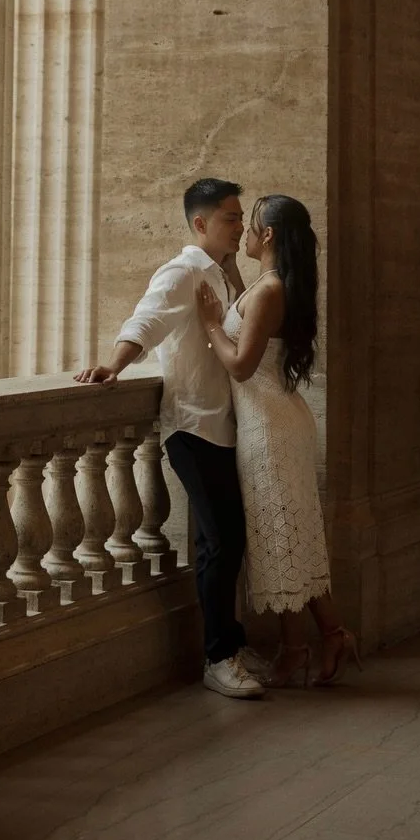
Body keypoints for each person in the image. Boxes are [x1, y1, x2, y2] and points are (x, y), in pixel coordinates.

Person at [75, 178, 264, 699]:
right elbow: (147, 319)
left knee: (219, 543)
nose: (240, 226)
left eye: (242, 217)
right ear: (200, 224)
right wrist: (113, 364)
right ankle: (219, 657)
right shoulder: (182, 272)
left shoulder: (220, 275)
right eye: (231, 218)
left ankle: (229, 644)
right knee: (223, 542)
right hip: (193, 427)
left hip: (222, 425)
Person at [196, 193, 360, 687]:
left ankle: (306, 645)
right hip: (275, 422)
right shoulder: (269, 285)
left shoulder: (269, 291)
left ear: (266, 237)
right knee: (290, 539)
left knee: (283, 539)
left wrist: (209, 325)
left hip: (269, 429)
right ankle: (320, 639)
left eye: (249, 227)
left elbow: (243, 366)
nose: (242, 232)